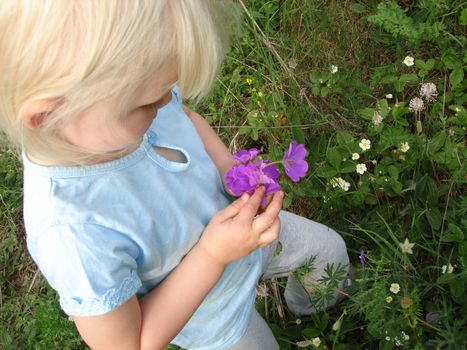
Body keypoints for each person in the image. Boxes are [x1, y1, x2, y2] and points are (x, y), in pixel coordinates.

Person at [0, 1, 349, 349]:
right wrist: (213, 254)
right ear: (50, 116)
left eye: (168, 89)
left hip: (249, 233)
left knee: (328, 251)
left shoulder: (126, 104)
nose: (166, 102)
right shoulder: (73, 233)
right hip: (215, 317)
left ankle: (316, 318)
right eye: (149, 102)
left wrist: (230, 170)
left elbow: (185, 117)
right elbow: (131, 343)